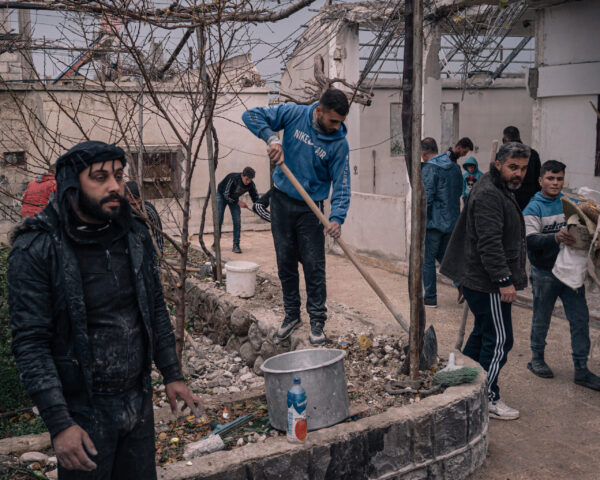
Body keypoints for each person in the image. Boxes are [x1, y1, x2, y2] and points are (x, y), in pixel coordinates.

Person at [8, 141, 201, 479]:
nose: (115, 186)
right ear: (72, 185)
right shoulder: (37, 247)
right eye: (100, 177)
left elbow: (154, 307)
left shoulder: (134, 235)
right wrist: (60, 423)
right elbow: (31, 343)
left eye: (118, 175)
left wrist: (172, 375)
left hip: (137, 401)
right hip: (83, 411)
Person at [242, 88, 350, 345]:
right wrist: (272, 138)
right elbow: (251, 115)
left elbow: (342, 184)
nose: (337, 127)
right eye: (333, 121)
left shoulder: (339, 144)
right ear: (319, 110)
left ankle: (317, 321)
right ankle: (292, 315)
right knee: (285, 262)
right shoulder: (294, 114)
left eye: (340, 122)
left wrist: (337, 218)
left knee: (314, 266)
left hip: (311, 209)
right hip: (281, 200)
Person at [441, 142, 530, 420]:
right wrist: (504, 280)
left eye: (523, 168)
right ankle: (487, 397)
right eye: (513, 167)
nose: (518, 173)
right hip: (488, 282)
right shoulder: (490, 193)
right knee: (500, 340)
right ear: (498, 164)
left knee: (482, 335)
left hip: (479, 279)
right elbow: (489, 244)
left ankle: (461, 385)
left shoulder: (498, 187)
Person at [522, 160, 600, 390]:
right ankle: (536, 359)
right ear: (541, 180)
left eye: (559, 179)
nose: (555, 183)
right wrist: (555, 237)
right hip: (544, 273)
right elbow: (530, 241)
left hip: (570, 272)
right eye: (550, 178)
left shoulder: (570, 204)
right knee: (541, 318)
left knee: (580, 319)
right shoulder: (533, 208)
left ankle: (582, 370)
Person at [421, 137, 463, 308]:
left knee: (428, 260)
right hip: (452, 220)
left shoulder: (429, 168)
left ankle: (430, 297)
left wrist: (421, 221)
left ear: (423, 152)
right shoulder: (455, 167)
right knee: (445, 256)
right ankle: (461, 283)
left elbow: (426, 197)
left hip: (434, 223)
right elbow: (459, 191)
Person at [216, 167, 259, 253]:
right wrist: (238, 202)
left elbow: (255, 197)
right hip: (222, 195)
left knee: (237, 221)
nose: (248, 182)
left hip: (234, 199)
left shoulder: (251, 184)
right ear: (242, 175)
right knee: (219, 219)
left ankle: (236, 245)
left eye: (250, 180)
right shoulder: (233, 178)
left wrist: (258, 209)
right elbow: (226, 194)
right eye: (247, 179)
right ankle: (216, 244)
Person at [502, 126, 541, 210]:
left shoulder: (502, 155)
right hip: (530, 199)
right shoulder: (533, 153)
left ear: (505, 139)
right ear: (519, 136)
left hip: (509, 199)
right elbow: (538, 179)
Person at [125, 180, 164, 254]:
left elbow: (158, 239)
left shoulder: (149, 211)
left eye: (139, 203)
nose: (138, 207)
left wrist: (158, 259)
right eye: (133, 204)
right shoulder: (119, 212)